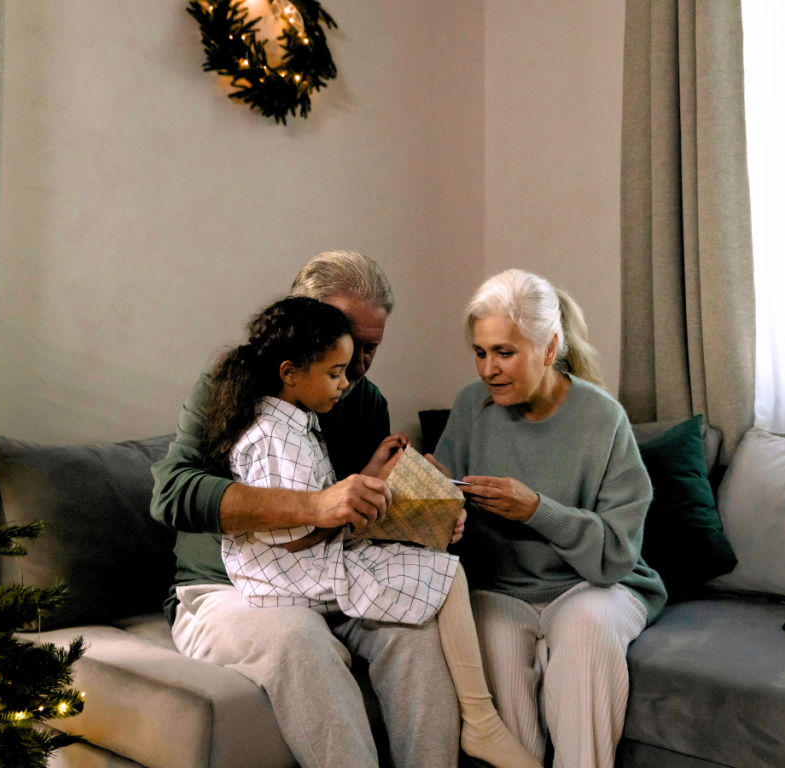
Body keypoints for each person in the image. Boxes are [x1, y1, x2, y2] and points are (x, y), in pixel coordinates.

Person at [150, 252, 463, 768]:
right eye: (347, 344)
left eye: (372, 348)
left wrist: (429, 513)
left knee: (416, 629)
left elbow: (367, 521)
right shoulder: (229, 385)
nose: (359, 365)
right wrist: (316, 505)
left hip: (328, 581)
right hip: (228, 592)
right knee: (298, 638)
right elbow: (173, 494)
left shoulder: (364, 402)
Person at [204, 295, 542, 768]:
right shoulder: (275, 438)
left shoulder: (292, 423)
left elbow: (316, 501)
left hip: (300, 562)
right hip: (289, 574)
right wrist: (365, 508)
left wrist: (372, 474)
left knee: (435, 571)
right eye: (335, 372)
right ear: (289, 372)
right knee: (443, 573)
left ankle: (479, 722)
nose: (346, 383)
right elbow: (293, 534)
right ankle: (481, 720)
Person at [429, 269, 668, 768]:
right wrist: (428, 489)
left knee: (585, 630)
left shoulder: (602, 418)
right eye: (480, 352)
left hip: (593, 586)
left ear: (549, 345)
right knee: (490, 649)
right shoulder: (471, 408)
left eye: (504, 353)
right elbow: (447, 521)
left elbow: (617, 553)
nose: (489, 369)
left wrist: (538, 510)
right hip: (499, 590)